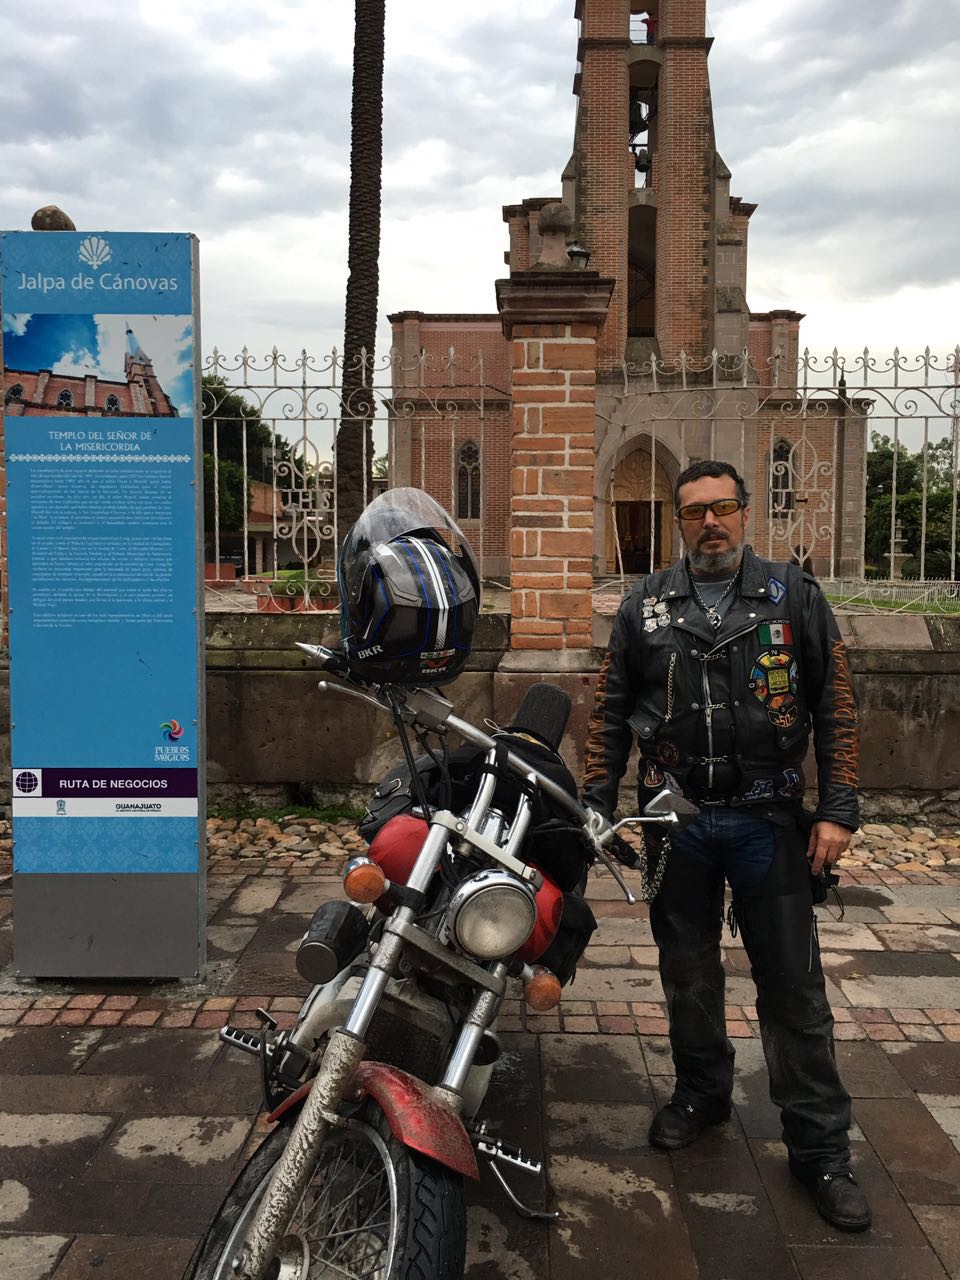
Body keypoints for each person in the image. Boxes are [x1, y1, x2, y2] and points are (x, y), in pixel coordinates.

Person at [583, 459, 870, 1232]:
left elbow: (836, 703)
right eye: (694, 512)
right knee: (687, 972)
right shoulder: (645, 605)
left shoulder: (793, 596)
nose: (710, 523)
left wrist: (838, 808)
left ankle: (820, 1149)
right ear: (678, 522)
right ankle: (702, 1094)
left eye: (723, 508)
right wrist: (594, 802)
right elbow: (609, 709)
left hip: (768, 819)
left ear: (745, 512)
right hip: (675, 820)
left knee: (794, 989)